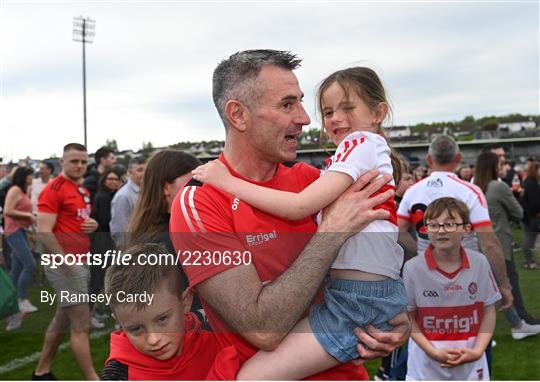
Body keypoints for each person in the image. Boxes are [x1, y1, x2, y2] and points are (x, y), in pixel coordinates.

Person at [170, 49, 410, 380]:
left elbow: (382, 252)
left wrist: (396, 320)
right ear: (238, 115)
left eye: (300, 102)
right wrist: (332, 232)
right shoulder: (200, 202)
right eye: (287, 105)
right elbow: (263, 329)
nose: (305, 118)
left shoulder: (313, 181)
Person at [397, 135, 513, 310]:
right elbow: (489, 242)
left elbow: (399, 231)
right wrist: (503, 283)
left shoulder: (413, 191)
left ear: (429, 160)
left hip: (426, 271)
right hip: (464, 271)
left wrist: (421, 250)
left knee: (430, 327)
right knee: (470, 327)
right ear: (458, 158)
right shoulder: (470, 191)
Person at [101, 243, 235, 380]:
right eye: (136, 328)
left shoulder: (218, 337)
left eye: (162, 319)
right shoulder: (118, 375)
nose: (154, 339)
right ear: (119, 323)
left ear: (185, 302)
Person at [404, 197, 501, 380]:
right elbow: (408, 318)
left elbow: (488, 311)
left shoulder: (479, 263)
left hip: (471, 367)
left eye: (449, 224)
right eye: (433, 225)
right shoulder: (412, 268)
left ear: (466, 228)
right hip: (425, 367)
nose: (441, 231)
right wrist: (432, 352)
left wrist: (478, 351)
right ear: (425, 229)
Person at [33, 143, 99, 380]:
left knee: (61, 320)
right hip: (66, 265)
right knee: (82, 323)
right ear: (62, 162)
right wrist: (65, 262)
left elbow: (79, 222)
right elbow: (43, 230)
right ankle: (93, 378)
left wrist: (94, 225)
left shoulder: (81, 190)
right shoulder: (54, 189)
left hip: (78, 261)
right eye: (74, 161)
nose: (80, 165)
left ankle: (42, 371)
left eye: (83, 161)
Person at [474, 152, 540, 336]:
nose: (504, 167)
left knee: (490, 287)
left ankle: (517, 323)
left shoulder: (475, 186)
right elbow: (518, 213)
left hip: (478, 243)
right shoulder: (498, 187)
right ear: (493, 166)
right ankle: (519, 323)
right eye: (501, 163)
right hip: (498, 242)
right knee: (508, 284)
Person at [126, 150, 200, 305]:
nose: (201, 189)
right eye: (194, 182)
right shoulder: (163, 242)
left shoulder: (155, 233)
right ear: (166, 188)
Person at [88, 167, 124, 328]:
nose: (113, 182)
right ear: (104, 181)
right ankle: (89, 313)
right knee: (98, 279)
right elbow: (106, 221)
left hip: (109, 242)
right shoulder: (103, 197)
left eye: (116, 179)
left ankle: (105, 310)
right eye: (110, 179)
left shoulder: (113, 195)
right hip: (102, 243)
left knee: (110, 278)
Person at [3, 166, 38, 331]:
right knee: (30, 266)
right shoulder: (15, 190)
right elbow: (8, 211)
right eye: (30, 175)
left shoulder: (24, 190)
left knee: (15, 273)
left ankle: (11, 310)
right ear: (24, 176)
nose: (32, 178)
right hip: (13, 232)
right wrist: (29, 216)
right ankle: (21, 299)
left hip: (21, 231)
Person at [110, 157, 146, 247]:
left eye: (147, 170)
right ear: (130, 172)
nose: (145, 174)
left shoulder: (144, 191)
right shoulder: (123, 196)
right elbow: (118, 229)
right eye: (140, 170)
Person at [522, 160, 540, 269]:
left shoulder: (529, 181)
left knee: (530, 238)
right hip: (532, 216)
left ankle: (529, 260)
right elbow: (535, 202)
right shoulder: (531, 183)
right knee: (529, 239)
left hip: (529, 215)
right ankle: (529, 262)